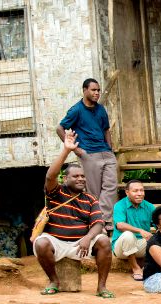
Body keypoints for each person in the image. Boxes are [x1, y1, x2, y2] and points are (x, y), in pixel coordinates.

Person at [34, 130, 114, 298]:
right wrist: (66, 150)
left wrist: (87, 238)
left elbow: (98, 223)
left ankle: (102, 287)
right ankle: (53, 281)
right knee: (41, 244)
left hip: (81, 244)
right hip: (56, 242)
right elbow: (50, 176)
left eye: (83, 176)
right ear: (65, 179)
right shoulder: (55, 193)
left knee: (105, 241)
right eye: (76, 176)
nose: (81, 179)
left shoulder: (91, 199)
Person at [56, 78, 117, 231]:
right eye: (93, 90)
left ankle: (102, 220)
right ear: (84, 90)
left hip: (106, 152)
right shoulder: (76, 110)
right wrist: (76, 149)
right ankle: (99, 223)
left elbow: (106, 130)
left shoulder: (101, 109)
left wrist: (109, 147)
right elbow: (59, 128)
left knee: (111, 186)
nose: (97, 93)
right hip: (89, 154)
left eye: (98, 90)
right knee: (94, 190)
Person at [111, 179, 155, 281]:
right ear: (127, 192)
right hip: (121, 248)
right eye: (135, 191)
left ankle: (149, 267)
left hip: (140, 245)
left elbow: (158, 223)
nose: (140, 194)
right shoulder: (119, 205)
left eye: (142, 190)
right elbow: (120, 225)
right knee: (128, 235)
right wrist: (140, 230)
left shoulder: (149, 206)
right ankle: (136, 268)